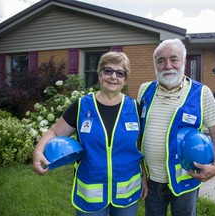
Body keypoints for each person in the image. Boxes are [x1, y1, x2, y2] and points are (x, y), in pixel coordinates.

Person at [33, 51, 148, 216]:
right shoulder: (81, 106)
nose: (113, 77)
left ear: (125, 79)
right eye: (108, 71)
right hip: (91, 193)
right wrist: (38, 151)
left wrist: (144, 175)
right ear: (100, 74)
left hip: (126, 191)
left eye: (120, 73)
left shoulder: (134, 108)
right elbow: (55, 132)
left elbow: (139, 146)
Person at [137, 38, 215, 216]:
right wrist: (142, 174)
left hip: (186, 179)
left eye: (174, 59)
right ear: (155, 64)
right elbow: (139, 134)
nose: (167, 65)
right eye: (161, 61)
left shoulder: (202, 93)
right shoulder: (144, 91)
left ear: (184, 62)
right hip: (153, 180)